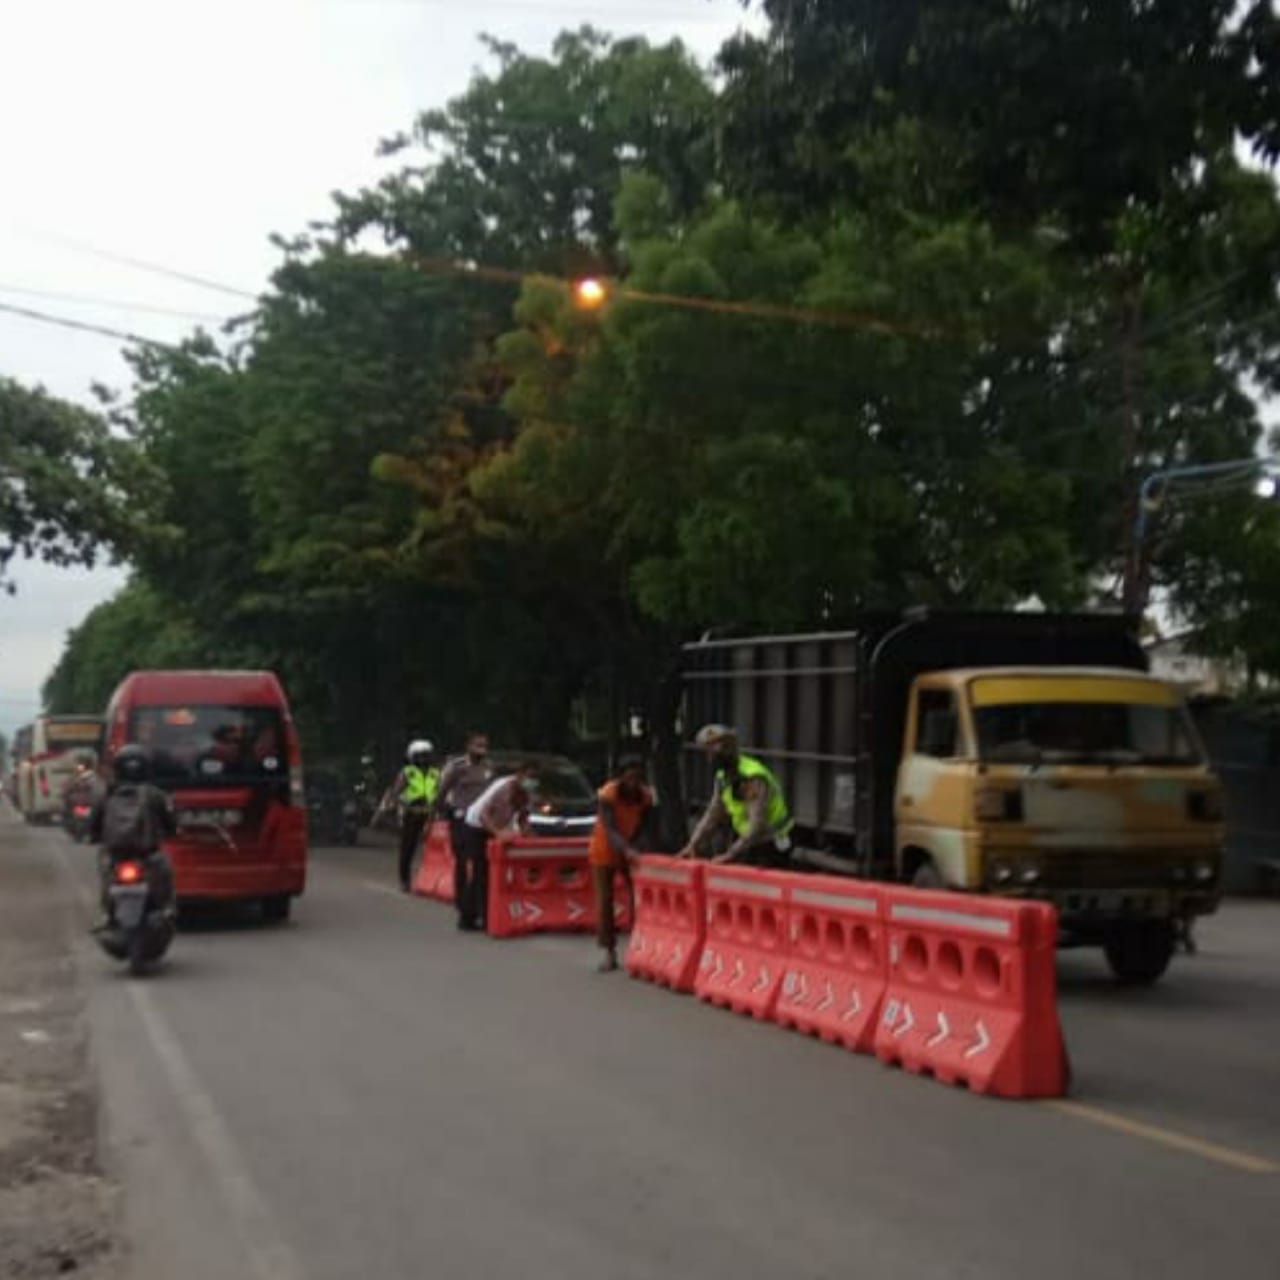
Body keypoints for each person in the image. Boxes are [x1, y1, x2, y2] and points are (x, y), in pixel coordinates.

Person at [678, 724, 794, 867]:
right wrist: (693, 845)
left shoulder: (751, 776)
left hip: (770, 843)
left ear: (730, 748)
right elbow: (713, 814)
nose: (711, 755)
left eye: (717, 748)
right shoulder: (723, 777)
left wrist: (731, 854)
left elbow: (757, 824)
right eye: (708, 750)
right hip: (751, 841)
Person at [88, 745, 176, 925]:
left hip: (116, 853)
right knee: (165, 873)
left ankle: (107, 915)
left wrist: (93, 836)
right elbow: (170, 821)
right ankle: (166, 908)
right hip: (147, 852)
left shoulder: (107, 794)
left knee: (106, 874)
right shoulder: (155, 794)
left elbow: (93, 824)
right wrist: (172, 832)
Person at [588, 755, 654, 972]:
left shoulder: (645, 796)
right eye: (629, 778)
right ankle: (609, 951)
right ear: (621, 778)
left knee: (638, 897)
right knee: (605, 901)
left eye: (637, 778)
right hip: (604, 849)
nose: (633, 783)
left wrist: (638, 848)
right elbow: (610, 828)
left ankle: (638, 946)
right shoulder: (609, 792)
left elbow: (646, 826)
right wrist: (626, 849)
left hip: (630, 849)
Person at [457, 762, 537, 932]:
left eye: (534, 779)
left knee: (489, 874)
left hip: (496, 827)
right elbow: (483, 815)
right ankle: (474, 918)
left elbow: (523, 818)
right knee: (481, 872)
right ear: (520, 775)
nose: (531, 781)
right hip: (476, 826)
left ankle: (480, 916)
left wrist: (531, 839)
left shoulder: (527, 793)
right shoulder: (504, 788)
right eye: (529, 777)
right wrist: (498, 833)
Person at [437, 732, 495, 915]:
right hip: (461, 818)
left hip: (480, 821)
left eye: (484, 746)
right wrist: (443, 812)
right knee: (462, 860)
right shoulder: (456, 766)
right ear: (469, 746)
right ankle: (461, 900)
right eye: (478, 746)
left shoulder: (489, 767)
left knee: (480, 863)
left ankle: (477, 903)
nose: (482, 750)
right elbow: (442, 790)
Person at [385, 739, 441, 892]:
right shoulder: (407, 772)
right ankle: (405, 881)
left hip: (429, 814)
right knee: (407, 848)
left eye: (426, 756)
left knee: (432, 849)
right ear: (412, 756)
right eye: (420, 756)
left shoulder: (435, 773)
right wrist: (396, 804)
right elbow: (396, 792)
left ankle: (429, 880)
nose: (423, 760)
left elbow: (439, 791)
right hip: (411, 813)